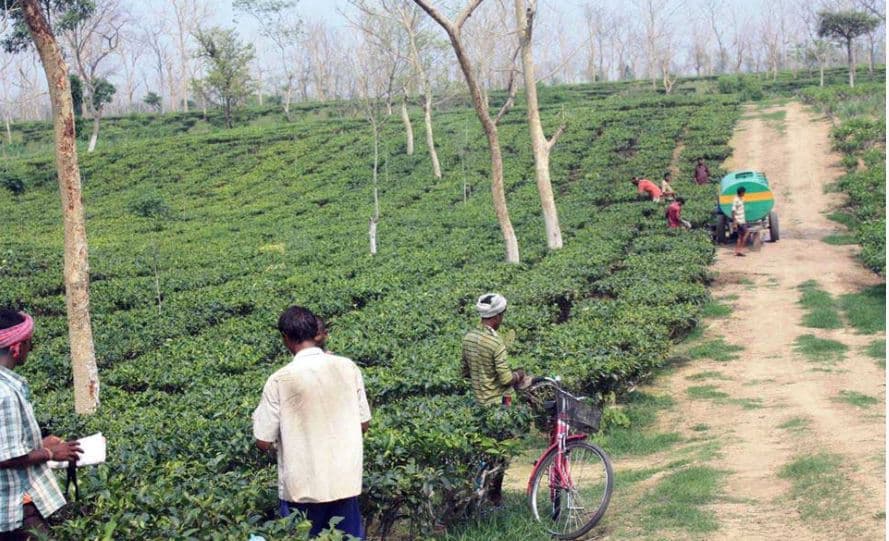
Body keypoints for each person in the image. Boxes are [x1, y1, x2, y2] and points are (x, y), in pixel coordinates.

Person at [253, 306, 371, 539]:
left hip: (302, 490)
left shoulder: (280, 379)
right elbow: (363, 423)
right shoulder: (348, 368)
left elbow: (263, 441)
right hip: (344, 483)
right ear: (315, 332)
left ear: (285, 338)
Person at [0, 309, 82, 541]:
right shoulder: (4, 392)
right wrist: (49, 452)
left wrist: (37, 443)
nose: (31, 348)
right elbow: (4, 456)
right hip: (14, 504)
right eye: (28, 343)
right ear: (16, 348)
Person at [461, 293, 529, 505]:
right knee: (500, 453)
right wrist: (519, 374)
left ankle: (475, 492)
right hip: (497, 405)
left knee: (481, 450)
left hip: (477, 404)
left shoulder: (469, 338)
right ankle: (494, 497)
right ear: (497, 316)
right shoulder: (495, 342)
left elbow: (463, 372)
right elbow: (506, 378)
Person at [732, 187, 750, 256]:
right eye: (744, 193)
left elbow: (743, 203)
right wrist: (734, 222)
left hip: (741, 220)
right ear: (741, 192)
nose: (744, 194)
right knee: (747, 233)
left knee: (740, 237)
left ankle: (737, 251)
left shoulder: (740, 198)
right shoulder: (736, 200)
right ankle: (741, 250)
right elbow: (733, 211)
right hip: (739, 221)